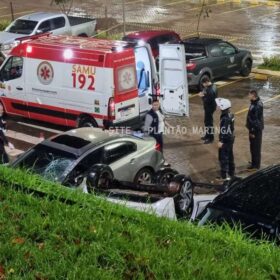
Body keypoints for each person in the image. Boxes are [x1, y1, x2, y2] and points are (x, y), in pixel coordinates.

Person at [216, 98, 235, 181]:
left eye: (220, 106)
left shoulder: (225, 118)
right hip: (230, 138)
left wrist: (221, 141)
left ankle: (224, 177)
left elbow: (224, 130)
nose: (219, 107)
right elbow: (232, 128)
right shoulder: (231, 115)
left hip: (226, 140)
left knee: (223, 158)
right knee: (230, 155)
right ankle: (232, 173)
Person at [246, 89, 264, 170]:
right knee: (252, 146)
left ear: (253, 95)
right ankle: (254, 161)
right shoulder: (254, 102)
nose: (248, 96)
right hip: (253, 129)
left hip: (255, 130)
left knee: (255, 148)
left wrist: (252, 131)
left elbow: (256, 120)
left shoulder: (257, 105)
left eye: (249, 94)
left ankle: (255, 166)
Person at [198, 76, 217, 144]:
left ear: (206, 82)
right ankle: (207, 135)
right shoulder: (213, 86)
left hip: (209, 107)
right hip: (211, 106)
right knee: (207, 122)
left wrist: (202, 96)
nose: (203, 85)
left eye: (203, 84)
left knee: (209, 123)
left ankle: (210, 138)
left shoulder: (210, 90)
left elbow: (207, 100)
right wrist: (204, 93)